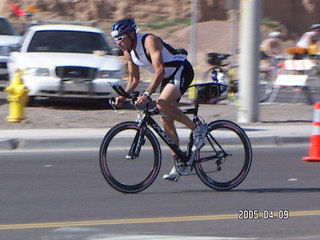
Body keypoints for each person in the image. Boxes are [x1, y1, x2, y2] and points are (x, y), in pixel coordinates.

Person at [111, 18, 207, 182]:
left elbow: (160, 71)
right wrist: (123, 96)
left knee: (162, 104)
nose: (118, 43)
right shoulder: (128, 53)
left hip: (181, 70)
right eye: (116, 39)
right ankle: (180, 164)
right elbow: (134, 79)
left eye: (120, 38)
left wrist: (147, 95)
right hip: (168, 77)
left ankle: (198, 130)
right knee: (166, 120)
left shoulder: (149, 41)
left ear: (131, 34)